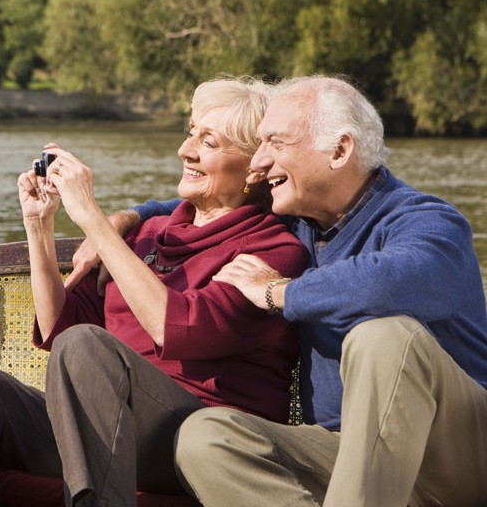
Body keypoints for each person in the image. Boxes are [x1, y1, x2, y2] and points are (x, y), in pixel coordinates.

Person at [0, 77, 307, 506]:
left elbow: (178, 327)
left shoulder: (274, 251)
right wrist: (40, 225)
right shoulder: (147, 234)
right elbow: (60, 326)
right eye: (190, 131)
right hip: (95, 429)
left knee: (86, 345)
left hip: (194, 444)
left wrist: (92, 217)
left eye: (210, 142)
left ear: (255, 167)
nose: (186, 150)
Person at [134, 75, 487, 506]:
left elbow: (389, 280)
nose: (258, 162)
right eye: (259, 144)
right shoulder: (292, 219)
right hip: (346, 455)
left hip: (459, 456)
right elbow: (217, 194)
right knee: (205, 436)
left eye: (276, 144)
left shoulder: (429, 221)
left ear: (339, 151)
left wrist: (280, 293)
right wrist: (134, 216)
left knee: (383, 335)